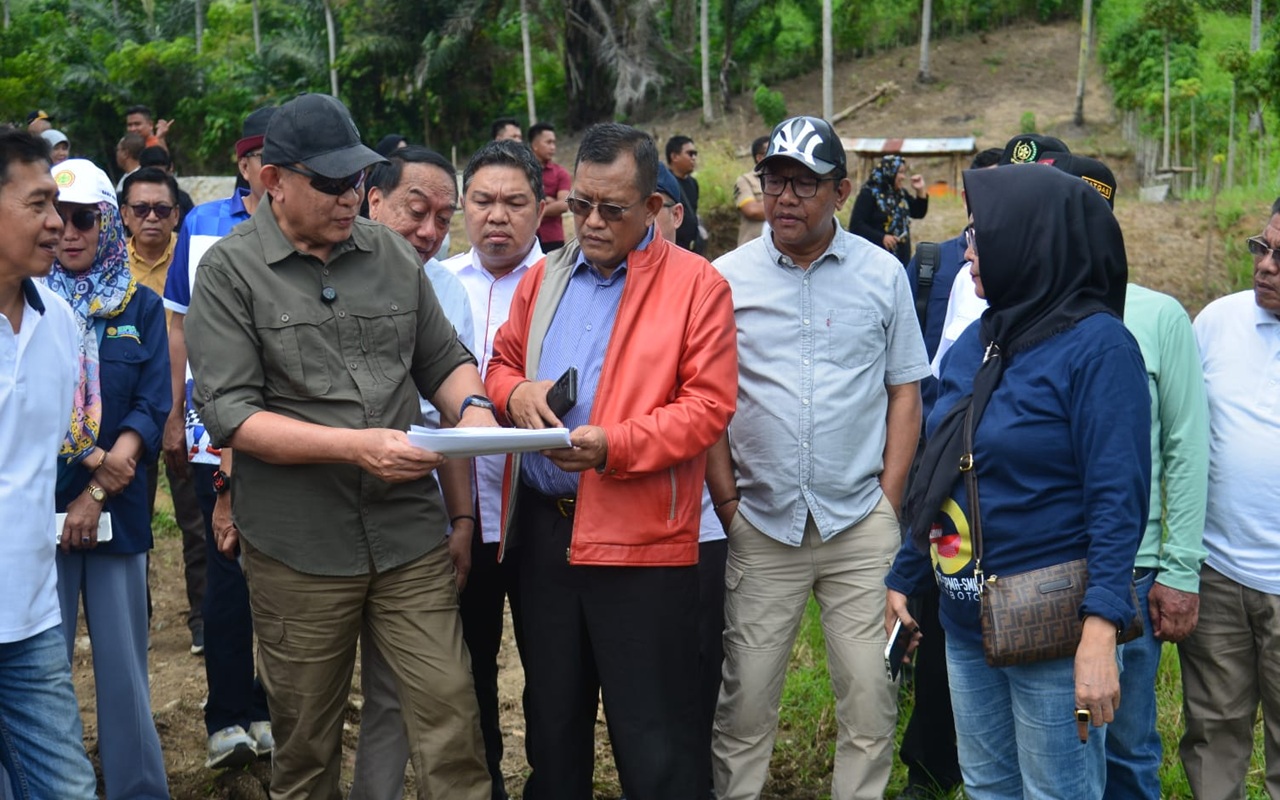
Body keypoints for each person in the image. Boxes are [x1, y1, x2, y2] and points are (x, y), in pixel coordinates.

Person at [185, 92, 494, 799]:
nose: (349, 196)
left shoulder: (388, 252)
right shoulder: (230, 274)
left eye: (356, 179)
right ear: (273, 181)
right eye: (329, 184)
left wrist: (473, 410)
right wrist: (355, 448)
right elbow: (232, 415)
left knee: (452, 719)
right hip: (300, 547)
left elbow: (441, 360)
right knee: (307, 745)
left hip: (406, 532)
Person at [484, 121, 737, 800]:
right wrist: (518, 393)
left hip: (641, 538)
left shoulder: (696, 287)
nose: (591, 222)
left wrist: (614, 446)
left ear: (654, 207)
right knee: (553, 722)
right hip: (546, 533)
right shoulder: (547, 274)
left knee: (654, 734)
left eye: (611, 209)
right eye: (579, 206)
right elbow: (500, 363)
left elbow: (707, 408)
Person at [886, 165, 1150, 800]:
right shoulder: (980, 340)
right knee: (988, 787)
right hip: (964, 620)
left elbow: (1119, 502)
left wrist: (1100, 631)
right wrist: (905, 576)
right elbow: (939, 469)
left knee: (1058, 791)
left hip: (1052, 630)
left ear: (1032, 241)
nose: (969, 251)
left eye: (983, 235)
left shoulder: (1098, 348)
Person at [708, 115, 930, 800]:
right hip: (763, 521)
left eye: (805, 184)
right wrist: (727, 502)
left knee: (869, 698)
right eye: (776, 181)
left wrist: (889, 504)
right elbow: (707, 398)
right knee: (745, 701)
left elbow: (904, 392)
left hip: (859, 522)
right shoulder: (723, 279)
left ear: (841, 190)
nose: (786, 198)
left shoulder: (882, 274)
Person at [349, 143, 480, 800]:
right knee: (307, 707)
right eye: (415, 211)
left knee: (400, 690)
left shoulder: (446, 290)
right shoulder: (315, 271)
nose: (430, 232)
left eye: (442, 218)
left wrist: (460, 519)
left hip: (411, 521)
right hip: (321, 522)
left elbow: (448, 421)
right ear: (373, 200)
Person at [47, 157, 171, 800]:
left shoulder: (140, 304)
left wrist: (101, 486)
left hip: (118, 510)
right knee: (40, 667)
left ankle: (137, 788)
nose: (69, 231)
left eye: (84, 219)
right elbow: (28, 410)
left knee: (124, 668)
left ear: (107, 225)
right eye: (58, 217)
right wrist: (93, 460)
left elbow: (154, 404)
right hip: (38, 514)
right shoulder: (25, 303)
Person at [163, 106, 275, 768]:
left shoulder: (317, 226)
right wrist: (177, 414)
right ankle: (227, 713)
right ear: (246, 167)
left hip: (291, 433)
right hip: (217, 432)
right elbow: (178, 326)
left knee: (282, 574)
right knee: (228, 569)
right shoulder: (203, 226)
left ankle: (266, 704)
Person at [893, 145, 1001, 800]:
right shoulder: (940, 267)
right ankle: (930, 770)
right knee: (940, 645)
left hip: (1011, 531)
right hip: (941, 500)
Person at [442, 139, 548, 800]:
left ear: (542, 208)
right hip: (459, 512)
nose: (497, 217)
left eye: (515, 202)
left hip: (542, 512)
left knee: (552, 663)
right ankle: (486, 784)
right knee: (467, 663)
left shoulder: (567, 283)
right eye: (483, 201)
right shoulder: (440, 284)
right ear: (463, 207)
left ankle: (553, 779)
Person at [0, 126, 97, 800]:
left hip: (29, 620)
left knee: (66, 789)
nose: (59, 223)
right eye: (39, 204)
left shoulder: (59, 321)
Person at [1178, 198, 1280, 800]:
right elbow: (1181, 434)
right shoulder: (1218, 320)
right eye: (1261, 248)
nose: (1265, 266)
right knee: (1213, 730)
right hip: (1218, 570)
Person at [1105, 282, 1209, 800]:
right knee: (1054, 745)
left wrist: (1180, 568)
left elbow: (1185, 446)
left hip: (1133, 572)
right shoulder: (1020, 307)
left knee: (1126, 746)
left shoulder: (1159, 315)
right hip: (1045, 565)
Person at [655, 157, 729, 797]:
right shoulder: (589, 285)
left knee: (701, 663)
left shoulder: (709, 285)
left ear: (677, 214)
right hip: (626, 521)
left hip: (702, 522)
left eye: (655, 208)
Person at [848, 154, 928, 265]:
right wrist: (882, 238)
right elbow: (856, 226)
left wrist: (920, 190)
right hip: (875, 258)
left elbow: (918, 212)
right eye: (900, 172)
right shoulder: (869, 194)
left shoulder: (900, 194)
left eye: (904, 172)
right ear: (889, 172)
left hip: (901, 257)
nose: (903, 177)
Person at [528, 122, 571, 252]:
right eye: (548, 142)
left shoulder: (561, 173)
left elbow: (564, 205)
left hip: (553, 238)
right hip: (527, 237)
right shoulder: (523, 172)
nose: (553, 147)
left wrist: (534, 210)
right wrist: (549, 202)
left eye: (554, 143)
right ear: (535, 145)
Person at [666, 134, 704, 253]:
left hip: (691, 249)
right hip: (672, 249)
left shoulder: (693, 183)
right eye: (690, 153)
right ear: (674, 156)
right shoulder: (663, 184)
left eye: (695, 154)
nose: (694, 158)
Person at [732, 135, 768, 247]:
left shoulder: (787, 181)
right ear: (759, 157)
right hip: (751, 249)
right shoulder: (745, 180)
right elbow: (752, 210)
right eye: (771, 151)